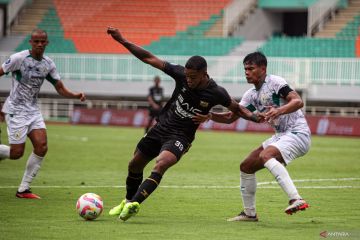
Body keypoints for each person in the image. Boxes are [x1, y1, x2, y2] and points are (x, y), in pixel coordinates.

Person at [106, 26, 262, 222]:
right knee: (134, 164)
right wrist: (122, 40)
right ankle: (128, 200)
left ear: (204, 74)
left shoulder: (216, 93)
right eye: (187, 76)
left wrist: (255, 118)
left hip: (181, 137)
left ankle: (133, 204)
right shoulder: (181, 74)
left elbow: (237, 109)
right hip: (161, 127)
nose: (188, 81)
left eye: (193, 78)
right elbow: (149, 58)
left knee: (161, 164)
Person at [195, 52, 311, 221]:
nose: (246, 72)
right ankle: (250, 214)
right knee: (247, 166)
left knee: (266, 155)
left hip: (298, 133)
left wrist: (278, 110)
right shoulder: (250, 95)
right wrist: (210, 116)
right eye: (245, 69)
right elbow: (230, 117)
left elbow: (298, 101)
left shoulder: (276, 82)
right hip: (281, 135)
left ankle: (296, 199)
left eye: (251, 68)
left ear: (263, 69)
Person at [0, 29, 86, 199]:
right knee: (17, 153)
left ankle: (23, 189)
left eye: (42, 41)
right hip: (15, 111)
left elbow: (59, 87)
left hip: (33, 110)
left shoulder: (48, 64)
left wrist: (75, 95)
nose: (39, 44)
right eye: (36, 41)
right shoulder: (19, 58)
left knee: (42, 146)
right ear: (30, 42)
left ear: (47, 43)